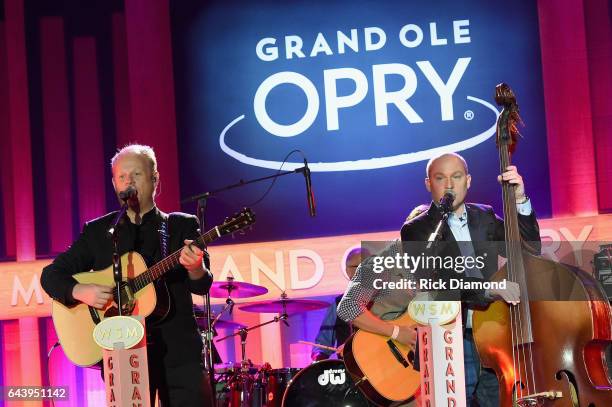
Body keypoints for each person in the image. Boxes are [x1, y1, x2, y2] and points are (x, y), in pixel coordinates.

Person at [41, 144, 213, 406]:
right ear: (114, 183)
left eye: (137, 175)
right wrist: (81, 291)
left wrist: (195, 267)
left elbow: (202, 285)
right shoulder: (99, 232)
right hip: (123, 355)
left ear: (155, 179)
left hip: (179, 353)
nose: (128, 182)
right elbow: (51, 275)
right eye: (122, 177)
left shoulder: (181, 225)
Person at [399, 152, 541, 406]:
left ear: (468, 180)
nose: (450, 185)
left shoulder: (485, 216)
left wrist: (520, 199)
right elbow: (441, 282)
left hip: (492, 332)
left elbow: (529, 251)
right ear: (428, 184)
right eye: (440, 178)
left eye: (456, 176)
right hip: (450, 337)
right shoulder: (416, 229)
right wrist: (489, 288)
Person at [311, 247, 365, 361]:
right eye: (359, 266)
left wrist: (354, 346)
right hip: (350, 369)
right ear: (348, 271)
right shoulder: (338, 303)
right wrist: (318, 360)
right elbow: (322, 346)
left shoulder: (387, 300)